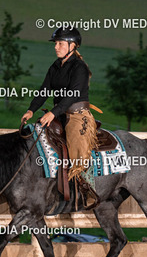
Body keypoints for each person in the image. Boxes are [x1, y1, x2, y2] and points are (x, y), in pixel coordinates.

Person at [21, 27, 98, 207]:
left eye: (60, 43)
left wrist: (53, 112)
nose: (56, 47)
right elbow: (44, 90)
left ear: (72, 45)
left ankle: (88, 188)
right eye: (55, 43)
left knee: (77, 146)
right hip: (59, 113)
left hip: (77, 115)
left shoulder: (80, 68)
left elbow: (72, 95)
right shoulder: (55, 66)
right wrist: (31, 110)